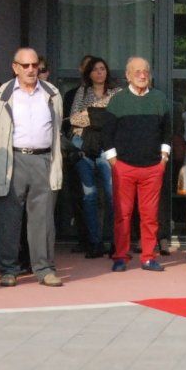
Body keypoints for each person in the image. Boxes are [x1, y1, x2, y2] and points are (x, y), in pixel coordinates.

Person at [0, 47, 65, 288]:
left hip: (43, 160)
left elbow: (57, 126)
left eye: (35, 65)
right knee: (9, 217)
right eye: (26, 66)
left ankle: (44, 268)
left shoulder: (51, 93)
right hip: (14, 159)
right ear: (15, 67)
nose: (31, 70)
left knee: (42, 219)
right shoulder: (3, 94)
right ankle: (8, 270)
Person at [103, 57, 173, 273]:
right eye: (137, 72)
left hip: (153, 168)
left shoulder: (160, 99)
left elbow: (167, 131)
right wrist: (114, 162)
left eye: (146, 71)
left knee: (150, 216)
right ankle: (121, 257)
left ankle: (148, 257)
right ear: (128, 75)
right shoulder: (117, 101)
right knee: (122, 215)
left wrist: (163, 158)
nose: (142, 75)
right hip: (124, 166)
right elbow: (107, 134)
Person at [65, 56, 118, 258]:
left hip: (108, 146)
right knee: (89, 196)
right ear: (88, 73)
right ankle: (94, 242)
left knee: (112, 194)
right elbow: (73, 119)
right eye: (95, 69)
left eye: (102, 69)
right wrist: (99, 114)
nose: (99, 72)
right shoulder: (82, 91)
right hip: (84, 145)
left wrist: (90, 115)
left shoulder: (116, 92)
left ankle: (114, 242)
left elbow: (116, 118)